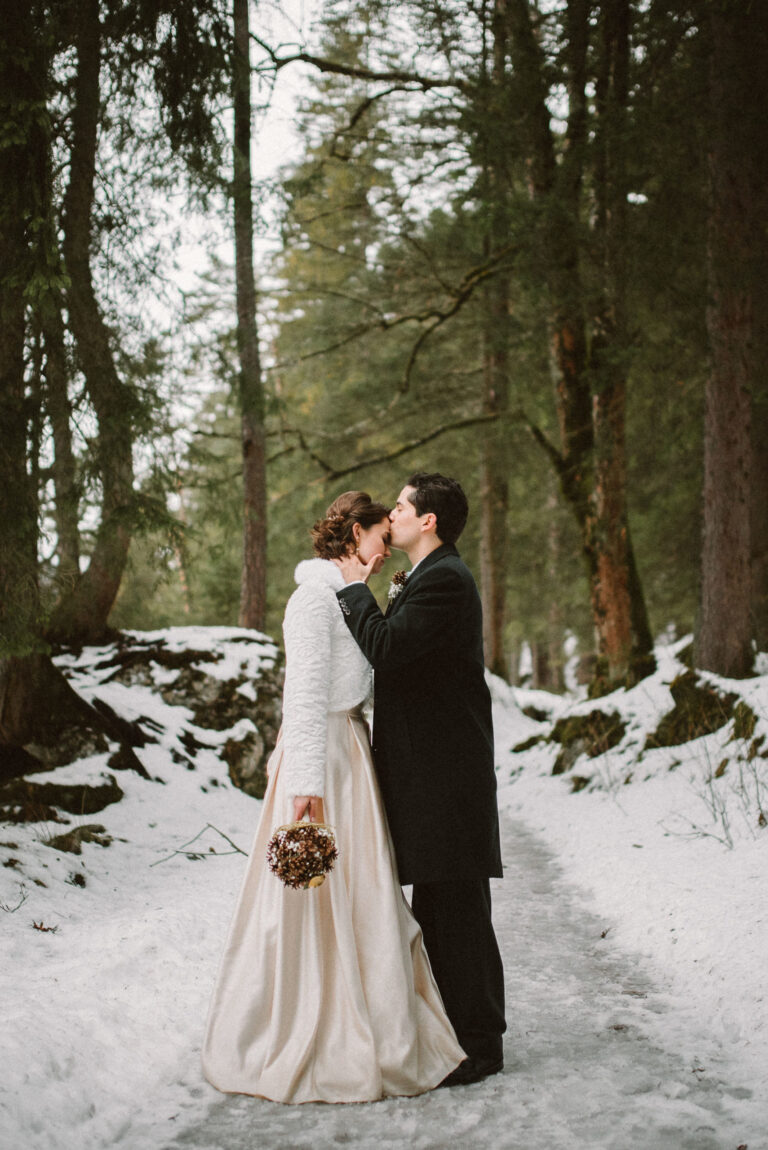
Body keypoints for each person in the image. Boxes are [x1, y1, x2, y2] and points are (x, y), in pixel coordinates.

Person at [202, 491, 464, 1104]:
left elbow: (369, 681)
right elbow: (303, 697)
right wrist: (305, 792)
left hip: (355, 758)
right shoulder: (312, 602)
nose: (384, 547)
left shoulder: (354, 599)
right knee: (312, 898)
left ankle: (375, 1017)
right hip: (321, 763)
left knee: (365, 896)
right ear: (355, 535)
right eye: (378, 535)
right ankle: (308, 1027)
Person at [334, 472, 506, 1087]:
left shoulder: (446, 582)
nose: (394, 514)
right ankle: (467, 1035)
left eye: (403, 506)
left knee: (456, 911)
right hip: (433, 775)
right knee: (441, 908)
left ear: (428, 520)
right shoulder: (430, 578)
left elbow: (387, 648)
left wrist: (355, 589)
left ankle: (481, 1046)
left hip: (446, 780)